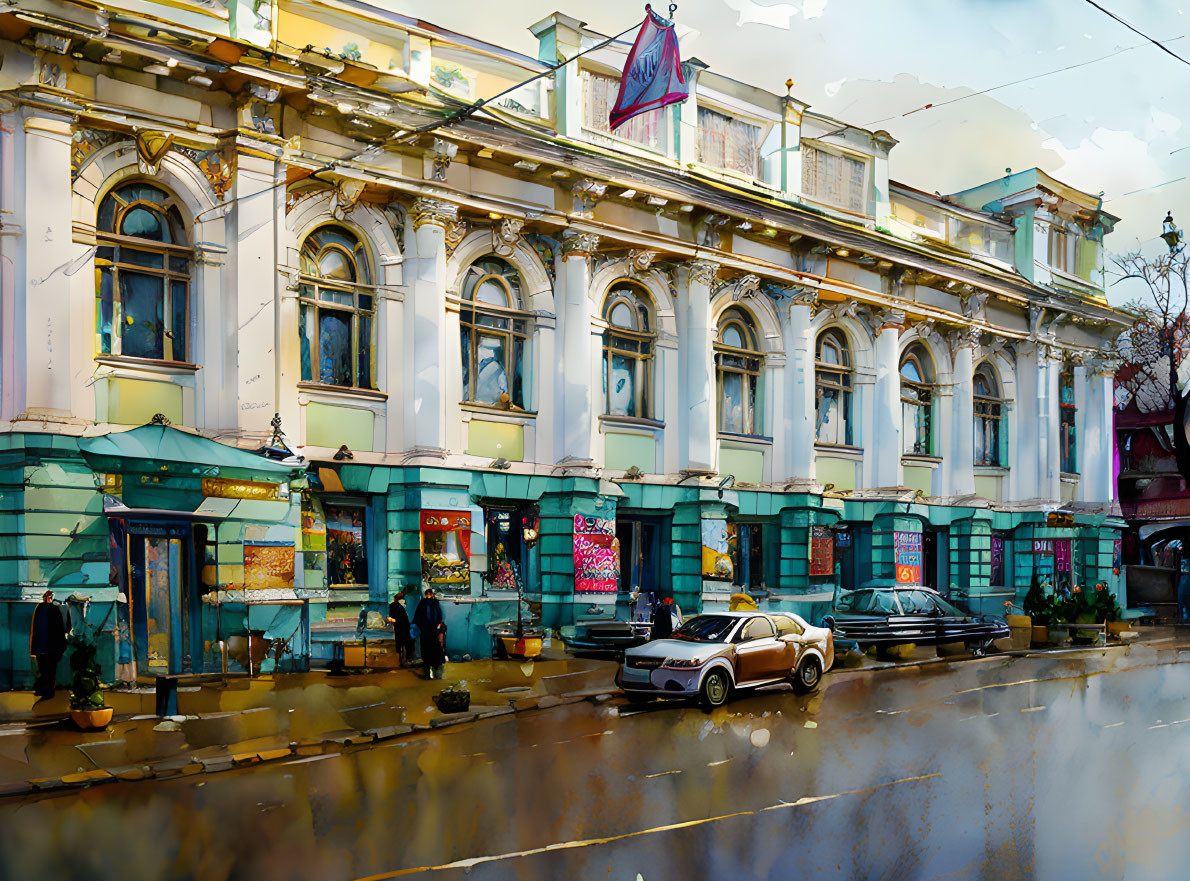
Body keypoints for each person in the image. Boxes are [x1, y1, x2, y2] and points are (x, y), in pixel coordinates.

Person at [29, 590, 67, 700]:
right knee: (49, 670)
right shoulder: (54, 609)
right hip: (51, 647)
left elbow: (36, 630)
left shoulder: (40, 609)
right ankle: (47, 690)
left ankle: (45, 690)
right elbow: (61, 629)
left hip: (44, 647)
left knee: (45, 670)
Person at [412, 587, 447, 679]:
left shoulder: (430, 603)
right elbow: (438, 617)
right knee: (431, 651)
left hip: (430, 631)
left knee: (431, 651)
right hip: (429, 631)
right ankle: (433, 672)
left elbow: (418, 617)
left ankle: (431, 671)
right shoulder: (430, 603)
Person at [386, 592, 412, 667]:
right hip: (406, 626)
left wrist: (389, 619)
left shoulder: (392, 606)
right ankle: (407, 659)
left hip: (399, 627)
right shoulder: (404, 607)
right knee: (407, 644)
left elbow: (394, 619)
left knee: (399, 644)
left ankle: (400, 661)